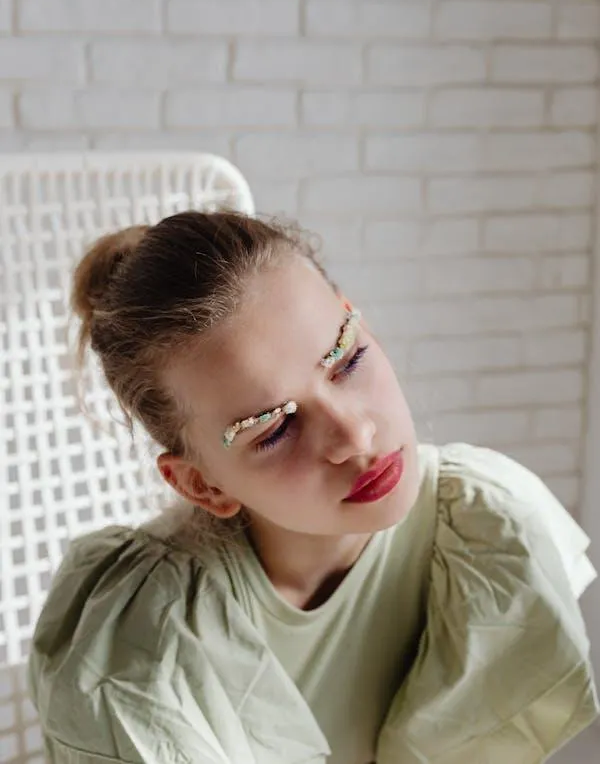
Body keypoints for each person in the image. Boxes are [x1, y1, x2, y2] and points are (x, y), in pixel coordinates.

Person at [27, 209, 598, 764]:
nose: (356, 432)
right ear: (202, 485)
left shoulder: (483, 527)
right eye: (274, 428)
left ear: (360, 321)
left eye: (347, 360)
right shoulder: (148, 640)